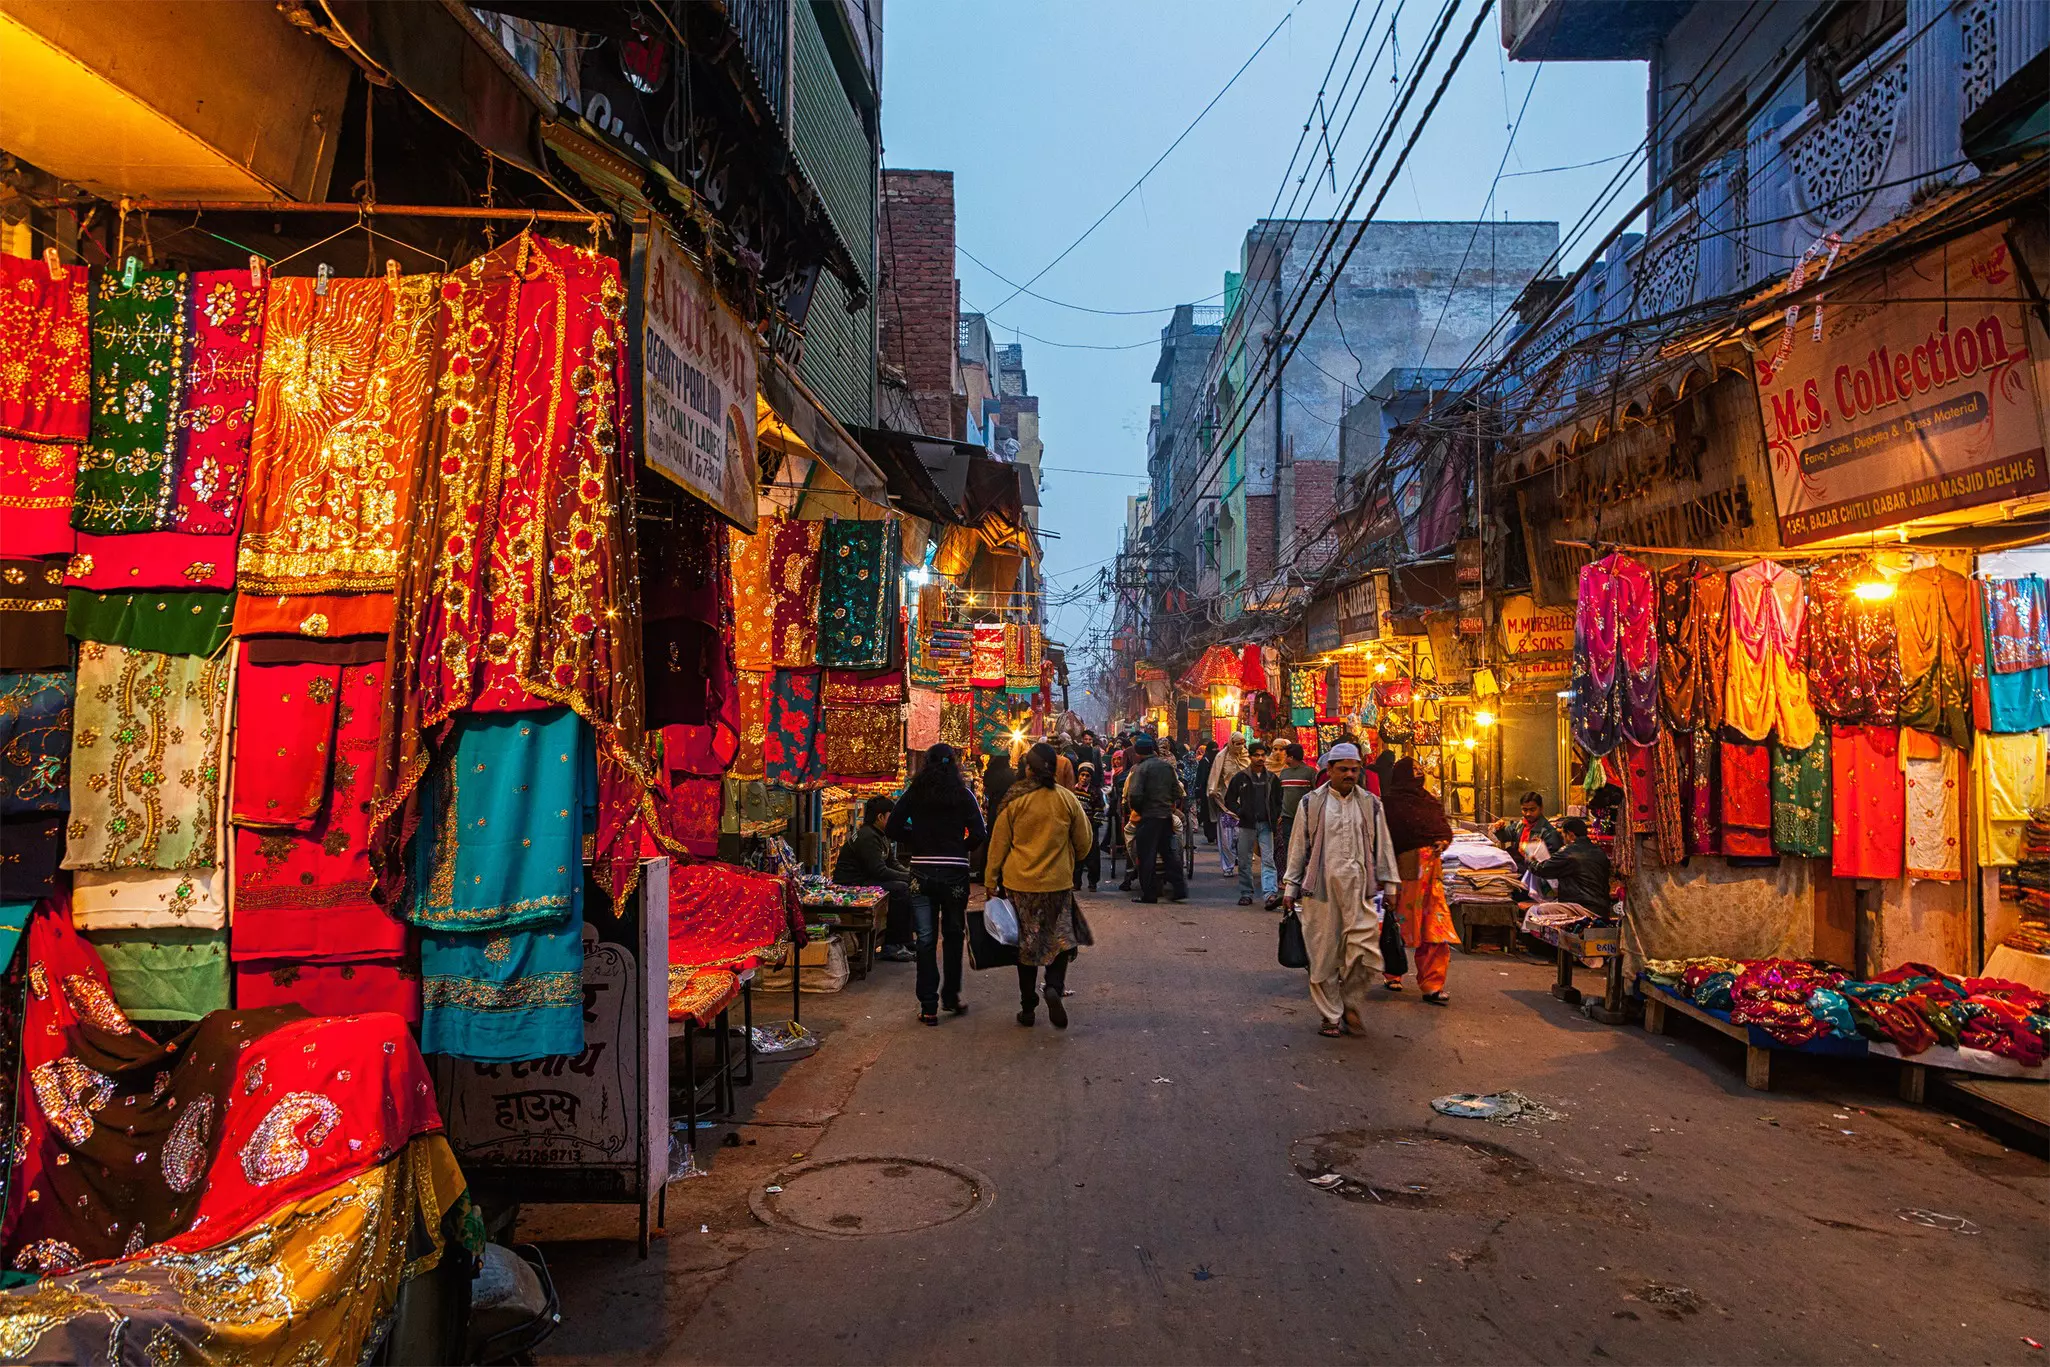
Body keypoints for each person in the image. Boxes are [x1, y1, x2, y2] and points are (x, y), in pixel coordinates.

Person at [1281, 743, 1402, 1038]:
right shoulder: (1311, 803)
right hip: (1320, 892)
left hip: (1360, 890)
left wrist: (1391, 884)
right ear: (1329, 771)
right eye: (1344, 769)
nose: (1350, 774)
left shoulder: (1371, 804)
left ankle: (1350, 1002)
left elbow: (1383, 846)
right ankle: (1331, 1015)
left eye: (1354, 769)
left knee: (1364, 953)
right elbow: (1298, 846)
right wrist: (1290, 885)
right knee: (1323, 956)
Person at [987, 743, 1096, 1029]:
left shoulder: (1015, 800)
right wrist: (1071, 859)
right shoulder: (1066, 799)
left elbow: (998, 844)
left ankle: (1028, 1008)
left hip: (1019, 885)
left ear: (1027, 769)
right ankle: (1053, 986)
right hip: (1057, 884)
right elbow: (1084, 841)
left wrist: (990, 880)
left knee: (1026, 944)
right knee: (1058, 940)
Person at [886, 744, 988, 1026]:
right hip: (955, 873)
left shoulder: (915, 793)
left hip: (922, 872)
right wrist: (959, 848)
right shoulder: (963, 795)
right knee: (954, 935)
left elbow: (892, 828)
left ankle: (928, 1006)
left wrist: (917, 838)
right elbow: (980, 832)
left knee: (926, 940)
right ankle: (952, 996)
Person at [1375, 752, 1458, 1004]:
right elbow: (1385, 838)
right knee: (1393, 926)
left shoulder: (1429, 802)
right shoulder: (1387, 805)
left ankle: (1432, 984)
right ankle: (1392, 972)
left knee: (1435, 929)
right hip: (1401, 877)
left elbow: (1443, 829)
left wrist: (1442, 842)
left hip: (1432, 880)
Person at [833, 795, 917, 962]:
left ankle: (904, 940)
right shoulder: (868, 837)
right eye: (891, 817)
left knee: (907, 886)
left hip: (867, 879)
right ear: (880, 817)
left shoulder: (881, 834)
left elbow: (892, 862)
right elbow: (880, 871)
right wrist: (907, 878)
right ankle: (892, 945)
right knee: (900, 889)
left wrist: (910, 874)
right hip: (853, 884)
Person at [1122, 735, 1188, 903]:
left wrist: (1139, 809)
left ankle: (1149, 894)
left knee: (1146, 857)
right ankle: (1179, 888)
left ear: (1138, 753)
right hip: (1165, 815)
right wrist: (1167, 804)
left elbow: (1135, 794)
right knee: (1168, 854)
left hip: (1149, 817)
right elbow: (1177, 792)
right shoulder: (1166, 767)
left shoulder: (1141, 769)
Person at [1519, 815, 1615, 920]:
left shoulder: (1568, 852)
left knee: (1535, 911)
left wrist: (1529, 856)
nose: (1562, 838)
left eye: (1563, 834)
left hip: (1582, 907)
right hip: (1602, 908)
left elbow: (1541, 869)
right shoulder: (1599, 851)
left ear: (1570, 835)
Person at [1223, 740, 1282, 906]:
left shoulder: (1271, 779)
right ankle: (1246, 893)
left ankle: (1269, 894)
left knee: (1268, 860)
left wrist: (1275, 814)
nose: (1260, 758)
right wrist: (1241, 812)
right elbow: (1230, 800)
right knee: (1244, 860)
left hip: (1266, 824)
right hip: (1247, 824)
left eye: (1263, 755)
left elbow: (1279, 800)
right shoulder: (1240, 778)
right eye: (1256, 755)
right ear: (1250, 757)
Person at [1272, 742, 1318, 907]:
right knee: (1288, 848)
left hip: (1306, 818)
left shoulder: (1310, 773)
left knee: (1306, 849)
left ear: (1291, 757)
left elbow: (1316, 794)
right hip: (1287, 818)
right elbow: (1279, 796)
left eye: (1285, 754)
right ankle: (1290, 881)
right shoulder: (1283, 774)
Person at [1209, 734, 1250, 875]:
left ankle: (1245, 864)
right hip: (1226, 802)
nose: (1240, 746)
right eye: (1237, 743)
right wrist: (1213, 791)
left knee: (1242, 836)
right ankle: (1228, 866)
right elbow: (1215, 777)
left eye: (1242, 743)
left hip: (1244, 802)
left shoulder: (1247, 757)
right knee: (1226, 838)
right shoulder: (1222, 757)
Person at [1072, 761, 1104, 891]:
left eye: (1087, 775)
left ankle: (1092, 883)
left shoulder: (1095, 792)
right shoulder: (1072, 790)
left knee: (1093, 857)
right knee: (1076, 857)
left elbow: (1099, 811)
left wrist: (1092, 825)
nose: (1084, 778)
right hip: (1075, 829)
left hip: (1090, 829)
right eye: (1082, 775)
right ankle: (1076, 883)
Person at [1194, 741, 1218, 844]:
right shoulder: (1205, 761)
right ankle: (1210, 835)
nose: (1215, 751)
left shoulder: (1216, 760)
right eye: (1214, 749)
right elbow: (1201, 777)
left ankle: (1214, 835)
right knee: (1208, 814)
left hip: (1215, 792)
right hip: (1206, 792)